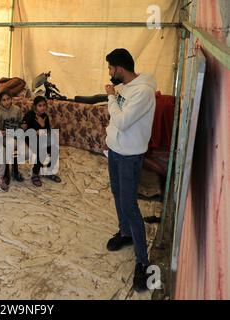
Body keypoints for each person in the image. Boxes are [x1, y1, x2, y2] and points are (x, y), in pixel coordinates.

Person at [104, 48, 157, 292]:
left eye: (110, 68)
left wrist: (111, 98)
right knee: (117, 195)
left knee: (130, 206)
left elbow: (123, 121)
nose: (109, 73)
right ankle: (125, 233)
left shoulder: (143, 92)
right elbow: (117, 121)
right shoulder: (127, 89)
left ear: (120, 69)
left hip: (129, 157)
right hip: (115, 152)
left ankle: (143, 263)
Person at [22, 96, 61, 187]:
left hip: (42, 138)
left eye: (44, 105)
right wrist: (35, 132)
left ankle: (49, 172)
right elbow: (24, 130)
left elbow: (47, 131)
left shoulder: (45, 116)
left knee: (54, 149)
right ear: (35, 106)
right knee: (41, 150)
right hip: (30, 138)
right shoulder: (30, 115)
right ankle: (35, 174)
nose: (42, 107)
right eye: (40, 106)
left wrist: (43, 125)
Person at [0, 91, 25, 192]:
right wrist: (2, 132)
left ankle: (15, 170)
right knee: (11, 145)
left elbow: (21, 121)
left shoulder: (17, 109)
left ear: (11, 99)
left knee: (17, 146)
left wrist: (22, 126)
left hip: (15, 135)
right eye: (4, 100)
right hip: (3, 137)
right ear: (0, 101)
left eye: (8, 99)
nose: (6, 102)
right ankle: (6, 172)